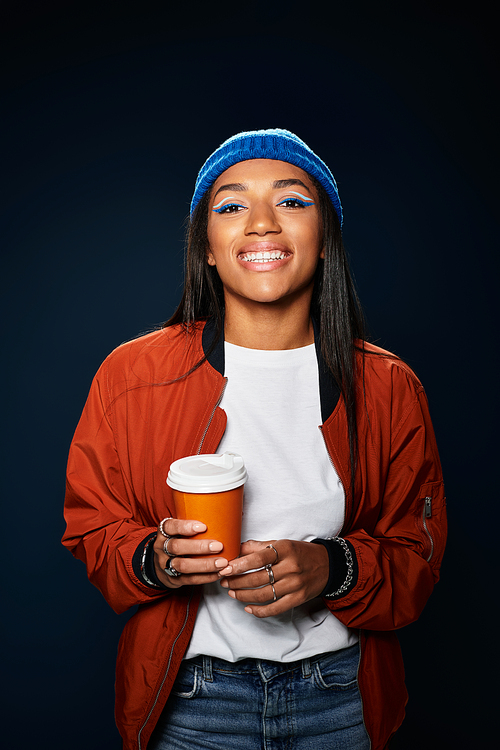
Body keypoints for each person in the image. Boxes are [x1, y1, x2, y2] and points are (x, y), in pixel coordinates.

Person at [62, 129, 447, 750]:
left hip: (341, 701)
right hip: (192, 706)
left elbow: (417, 554)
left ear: (325, 242)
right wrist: (154, 559)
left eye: (292, 201)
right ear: (207, 248)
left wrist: (333, 567)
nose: (263, 223)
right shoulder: (130, 377)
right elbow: (90, 526)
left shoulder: (389, 386)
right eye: (232, 205)